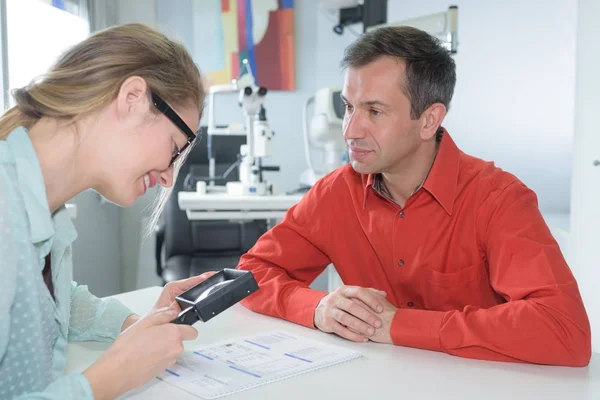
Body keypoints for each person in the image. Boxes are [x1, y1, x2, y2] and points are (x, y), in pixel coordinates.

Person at [237, 26, 592, 367]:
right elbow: (248, 275)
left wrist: (400, 325)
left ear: (428, 120)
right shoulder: (336, 193)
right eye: (348, 107)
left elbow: (565, 331)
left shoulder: (499, 200)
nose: (350, 130)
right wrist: (317, 308)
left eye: (374, 112)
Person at [0, 23, 216, 399]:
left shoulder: (40, 210)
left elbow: (49, 303)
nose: (168, 177)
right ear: (132, 97)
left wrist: (140, 326)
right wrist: (106, 380)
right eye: (175, 147)